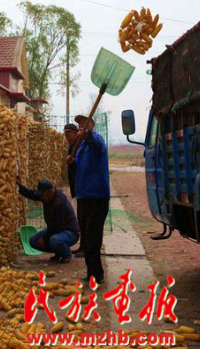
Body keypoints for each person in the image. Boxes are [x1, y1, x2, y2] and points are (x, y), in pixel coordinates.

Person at [72, 115, 110, 284]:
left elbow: (96, 144)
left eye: (84, 123)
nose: (81, 126)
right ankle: (91, 273)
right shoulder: (81, 147)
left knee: (93, 238)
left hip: (97, 197)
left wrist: (88, 134)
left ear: (91, 125)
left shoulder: (96, 140)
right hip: (83, 197)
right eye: (79, 124)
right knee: (86, 237)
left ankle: (97, 275)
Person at [17, 178, 80, 263]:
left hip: (70, 232)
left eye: (42, 195)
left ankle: (66, 254)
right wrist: (19, 187)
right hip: (55, 230)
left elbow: (57, 227)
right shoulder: (47, 196)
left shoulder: (59, 202)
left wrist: (45, 238)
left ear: (49, 193)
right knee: (33, 241)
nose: (41, 198)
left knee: (54, 240)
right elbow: (31, 194)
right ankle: (58, 252)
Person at [64, 123, 85, 256]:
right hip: (78, 188)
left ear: (76, 133)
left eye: (69, 134)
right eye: (65, 135)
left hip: (84, 188)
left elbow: (82, 167)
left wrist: (72, 163)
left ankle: (86, 247)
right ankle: (83, 246)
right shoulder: (72, 146)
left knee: (85, 219)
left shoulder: (81, 146)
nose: (67, 137)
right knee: (81, 218)